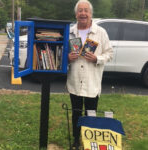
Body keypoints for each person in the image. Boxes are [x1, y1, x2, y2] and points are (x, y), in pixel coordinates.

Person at [66, 0, 113, 149]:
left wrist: (97, 58)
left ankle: (89, 142)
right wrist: (67, 58)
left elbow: (109, 53)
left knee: (90, 113)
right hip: (74, 81)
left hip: (92, 82)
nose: (83, 13)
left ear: (91, 13)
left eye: (86, 10)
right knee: (76, 113)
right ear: (76, 14)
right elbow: (61, 54)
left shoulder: (100, 32)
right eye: (80, 10)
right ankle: (76, 140)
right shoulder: (70, 31)